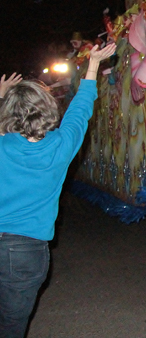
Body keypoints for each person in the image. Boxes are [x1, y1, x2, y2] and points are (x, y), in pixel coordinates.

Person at [0, 43, 116, 337]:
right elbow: (81, 109)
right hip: (25, 251)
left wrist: (2, 97)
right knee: (12, 325)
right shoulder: (61, 147)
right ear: (49, 109)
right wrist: (92, 65)